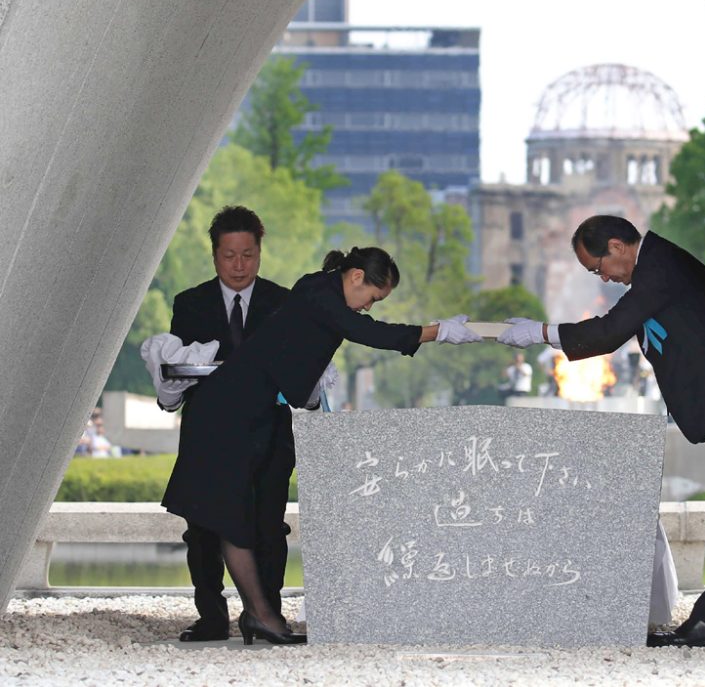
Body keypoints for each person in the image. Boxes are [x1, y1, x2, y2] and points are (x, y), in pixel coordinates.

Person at [161, 245, 482, 645]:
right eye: (373, 298)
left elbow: (355, 327)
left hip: (242, 410)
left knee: (234, 517)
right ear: (356, 277)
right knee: (230, 518)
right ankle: (261, 616)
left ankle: (260, 615)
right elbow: (368, 332)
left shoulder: (321, 288)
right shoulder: (321, 297)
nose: (369, 307)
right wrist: (435, 332)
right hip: (227, 413)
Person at [497, 215, 705, 649]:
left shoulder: (660, 267)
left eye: (598, 268)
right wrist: (547, 334)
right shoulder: (652, 272)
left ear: (616, 246)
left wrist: (540, 333)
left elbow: (609, 332)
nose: (604, 278)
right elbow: (612, 330)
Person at [148, 206, 292, 643]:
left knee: (269, 523)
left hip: (268, 431)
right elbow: (182, 372)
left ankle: (267, 613)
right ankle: (211, 617)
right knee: (203, 528)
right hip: (209, 435)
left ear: (259, 253)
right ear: (214, 255)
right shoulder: (189, 304)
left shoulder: (281, 302)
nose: (239, 265)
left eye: (247, 254)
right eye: (229, 255)